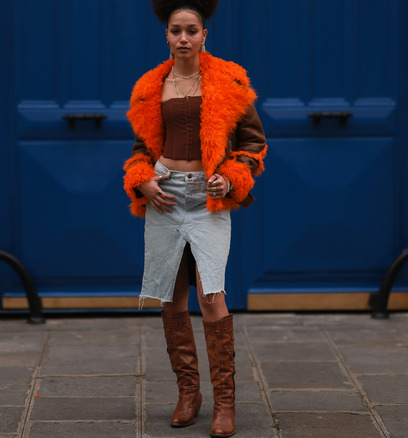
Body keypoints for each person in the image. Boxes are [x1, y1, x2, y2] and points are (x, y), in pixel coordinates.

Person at [122, 1, 267, 436]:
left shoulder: (229, 79)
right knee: (171, 295)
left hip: (206, 199)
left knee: (212, 296)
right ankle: (189, 393)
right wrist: (143, 181)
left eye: (191, 30)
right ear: (166, 35)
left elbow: (253, 143)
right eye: (175, 31)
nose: (183, 38)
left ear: (205, 35)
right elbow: (140, 150)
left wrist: (231, 177)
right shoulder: (150, 86)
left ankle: (226, 403)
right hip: (165, 195)